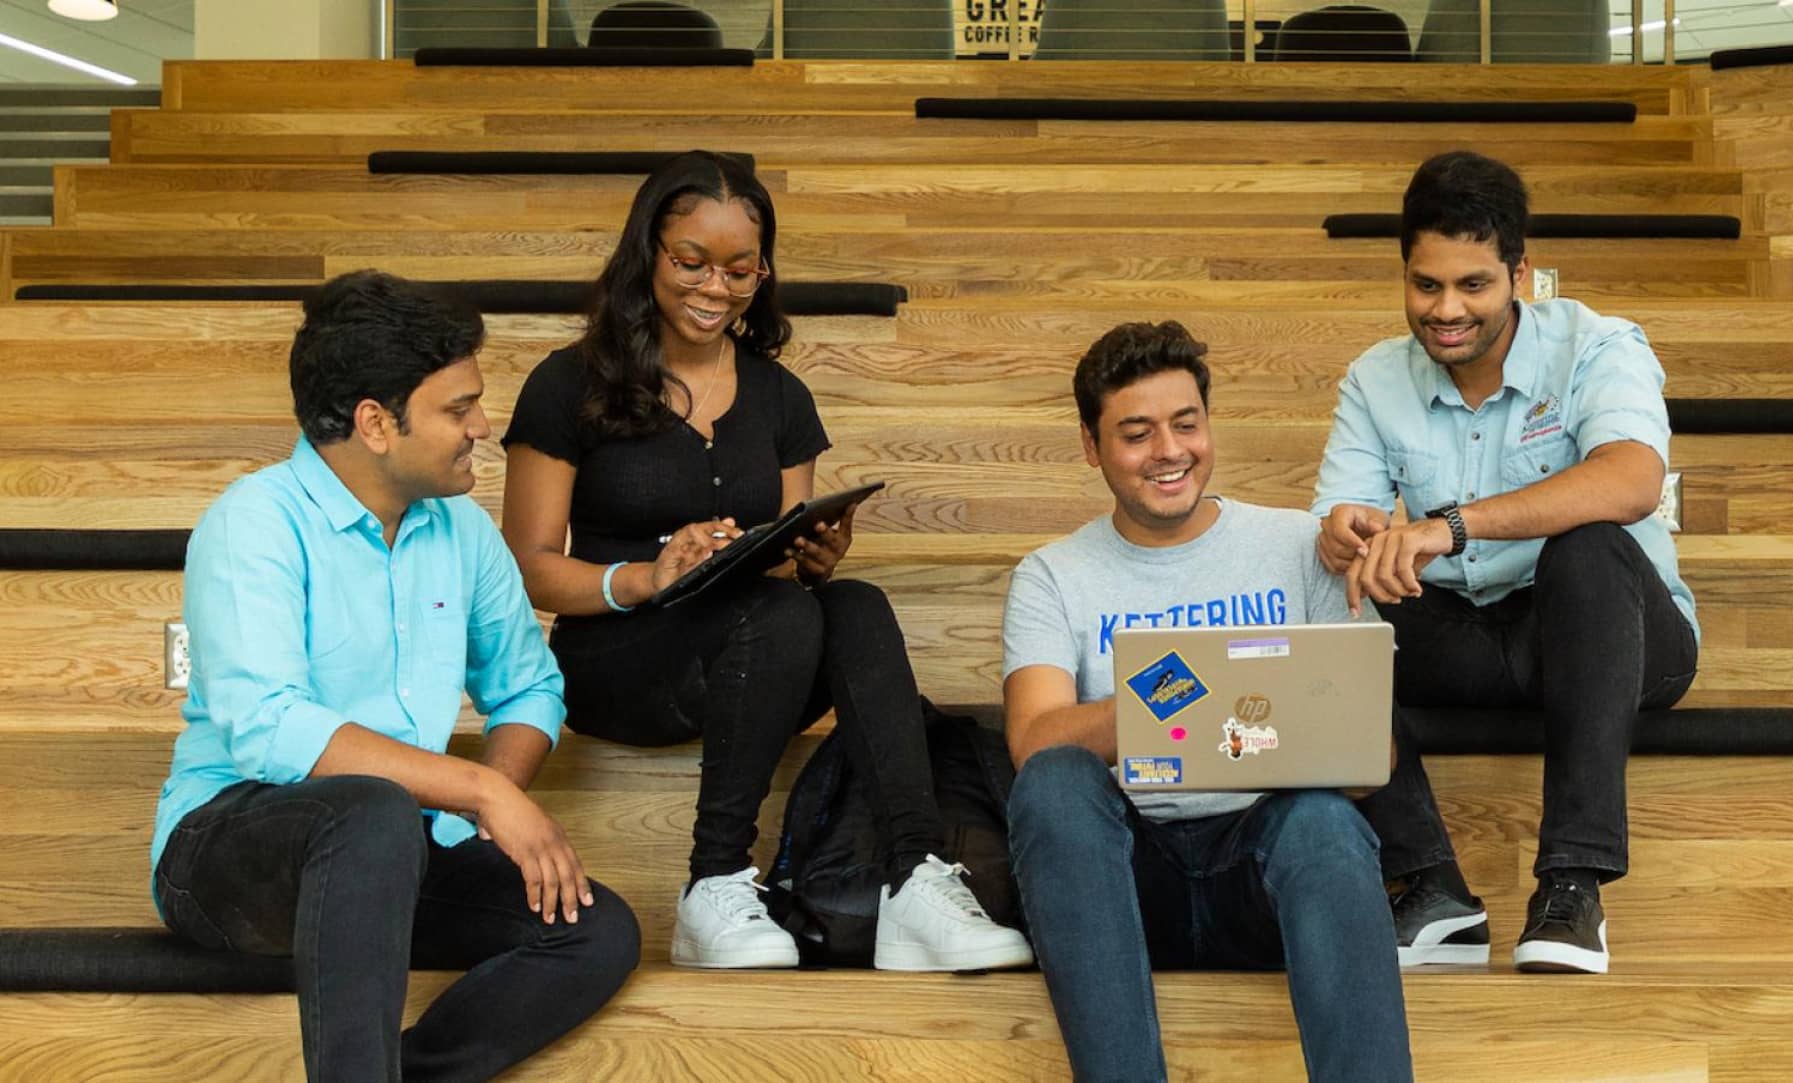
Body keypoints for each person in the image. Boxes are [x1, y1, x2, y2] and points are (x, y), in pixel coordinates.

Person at [500, 150, 1030, 972]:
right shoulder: (567, 384)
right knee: (782, 614)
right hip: (618, 661)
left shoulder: (781, 398)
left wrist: (811, 557)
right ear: (647, 254)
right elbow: (528, 567)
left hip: (752, 655)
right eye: (692, 263)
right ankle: (712, 880)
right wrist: (646, 577)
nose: (716, 288)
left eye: (740, 270)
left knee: (850, 603)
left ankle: (914, 879)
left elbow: (783, 575)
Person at [149, 270, 640, 1082]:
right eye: (459, 408)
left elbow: (527, 688)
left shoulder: (463, 533)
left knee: (595, 928)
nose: (484, 425)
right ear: (376, 423)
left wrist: (495, 791)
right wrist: (480, 792)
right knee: (374, 811)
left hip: (393, 850)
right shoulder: (253, 523)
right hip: (226, 848)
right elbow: (270, 726)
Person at [1312, 150, 1700, 975]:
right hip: (1465, 632)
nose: (1446, 310)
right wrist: (1345, 535)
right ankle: (1431, 887)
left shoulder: (1597, 345)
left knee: (1590, 547)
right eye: (1426, 285)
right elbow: (1338, 517)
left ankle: (1572, 886)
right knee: (1319, 590)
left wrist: (1450, 525)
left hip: (1610, 634)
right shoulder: (1374, 379)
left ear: (1521, 273)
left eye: (1473, 286)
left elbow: (1633, 479)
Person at [1002, 320, 1413, 1082]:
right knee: (1056, 783)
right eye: (1136, 433)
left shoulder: (1300, 545)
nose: (1169, 451)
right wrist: (1182, 693)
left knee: (1326, 817)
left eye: (1186, 424)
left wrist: (1253, 714)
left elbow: (1372, 757)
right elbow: (1034, 741)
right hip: (1124, 881)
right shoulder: (1052, 575)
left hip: (1268, 873)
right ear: (1092, 446)